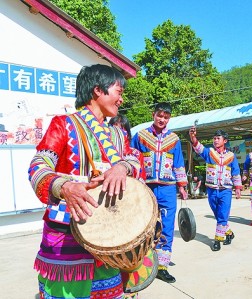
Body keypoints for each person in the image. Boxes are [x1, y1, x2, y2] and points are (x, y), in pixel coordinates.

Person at [28, 64, 145, 299]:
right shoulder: (63, 125)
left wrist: (121, 167)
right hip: (67, 237)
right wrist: (65, 186)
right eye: (118, 91)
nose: (121, 99)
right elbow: (37, 166)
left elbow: (135, 159)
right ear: (97, 91)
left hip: (109, 239)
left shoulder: (118, 134)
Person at [131, 102, 188, 283]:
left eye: (166, 117)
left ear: (169, 118)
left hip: (168, 188)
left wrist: (182, 185)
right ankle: (143, 262)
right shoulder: (140, 136)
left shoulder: (174, 139)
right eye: (159, 116)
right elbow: (131, 158)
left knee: (167, 227)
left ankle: (162, 266)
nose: (162, 119)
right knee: (144, 225)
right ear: (153, 114)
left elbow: (179, 162)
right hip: (146, 187)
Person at [189, 127, 242, 252]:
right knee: (218, 215)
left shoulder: (231, 156)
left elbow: (235, 172)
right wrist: (193, 137)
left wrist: (238, 188)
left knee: (223, 214)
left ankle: (218, 240)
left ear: (225, 141)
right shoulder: (209, 153)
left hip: (226, 190)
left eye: (218, 138)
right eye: (214, 138)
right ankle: (228, 232)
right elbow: (198, 147)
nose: (215, 141)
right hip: (211, 189)